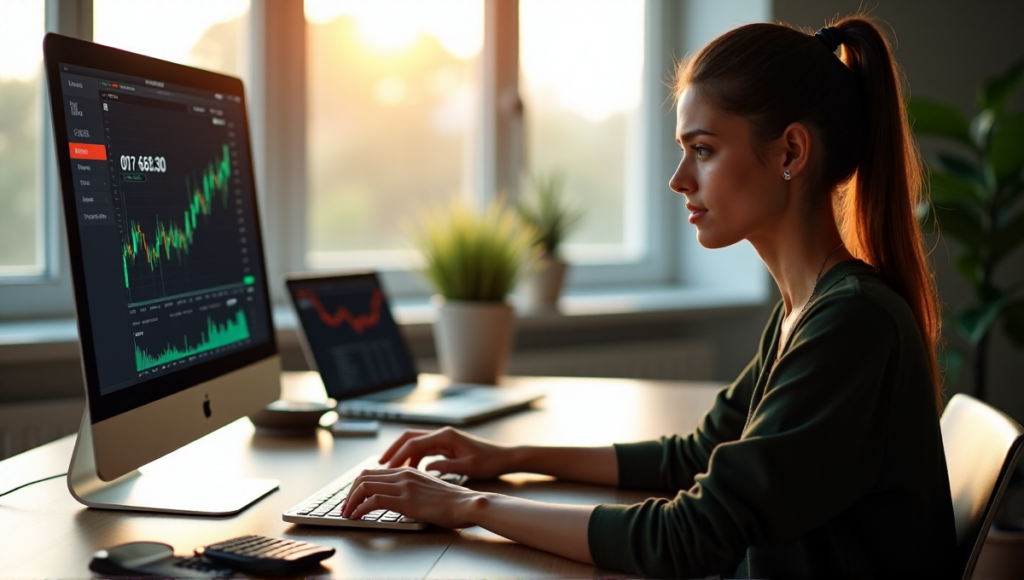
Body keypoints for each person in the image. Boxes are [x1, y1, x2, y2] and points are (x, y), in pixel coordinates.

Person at [340, 15, 957, 578]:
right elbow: (693, 457)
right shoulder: (804, 310)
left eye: (703, 150)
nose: (678, 178)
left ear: (791, 152)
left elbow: (689, 537)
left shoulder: (851, 322)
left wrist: (468, 505)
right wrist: (503, 457)